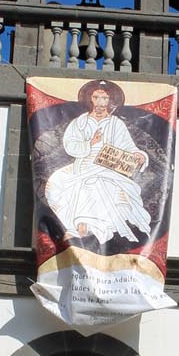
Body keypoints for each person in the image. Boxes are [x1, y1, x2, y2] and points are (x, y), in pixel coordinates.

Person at [44, 79, 152, 246]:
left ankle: (98, 228)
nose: (100, 103)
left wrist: (139, 155)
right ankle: (78, 227)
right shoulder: (80, 122)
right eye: (96, 97)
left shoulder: (116, 124)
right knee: (62, 183)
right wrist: (90, 143)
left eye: (105, 98)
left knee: (101, 185)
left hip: (108, 166)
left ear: (110, 101)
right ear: (90, 100)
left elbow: (128, 147)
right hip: (85, 163)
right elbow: (70, 145)